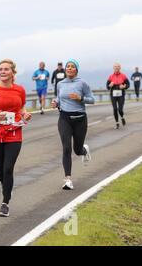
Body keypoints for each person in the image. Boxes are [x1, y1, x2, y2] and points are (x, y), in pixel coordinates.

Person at [0, 59, 32, 217]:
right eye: (0, 69)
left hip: (14, 132)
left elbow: (21, 107)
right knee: (0, 171)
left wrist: (25, 114)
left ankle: (5, 202)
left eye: (6, 69)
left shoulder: (20, 90)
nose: (2, 72)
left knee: (8, 169)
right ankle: (7, 188)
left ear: (12, 72)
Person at [51, 59, 94, 190]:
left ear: (76, 69)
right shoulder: (60, 84)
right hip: (64, 118)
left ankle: (84, 150)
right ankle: (67, 179)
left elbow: (92, 99)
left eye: (72, 67)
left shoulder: (82, 83)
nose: (69, 68)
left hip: (80, 119)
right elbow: (59, 97)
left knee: (77, 150)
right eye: (67, 67)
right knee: (66, 148)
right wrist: (56, 102)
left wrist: (80, 98)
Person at [106, 63, 130, 129]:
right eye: (115, 67)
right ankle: (117, 123)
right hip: (113, 94)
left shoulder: (123, 76)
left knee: (120, 109)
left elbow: (128, 84)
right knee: (115, 109)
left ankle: (122, 117)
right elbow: (107, 86)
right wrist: (110, 85)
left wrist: (124, 86)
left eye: (118, 67)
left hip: (121, 94)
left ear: (120, 68)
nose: (116, 68)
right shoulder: (111, 76)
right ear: (113, 68)